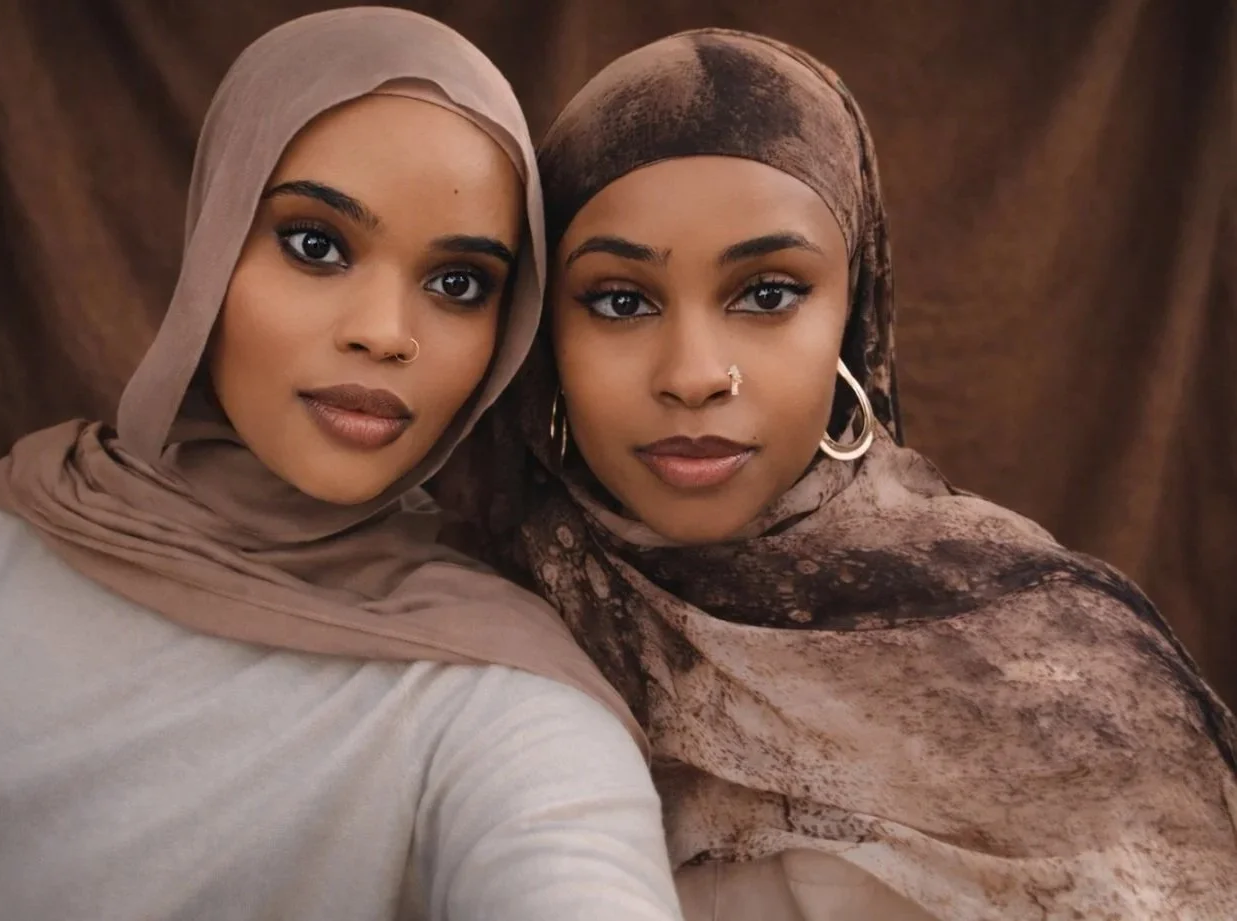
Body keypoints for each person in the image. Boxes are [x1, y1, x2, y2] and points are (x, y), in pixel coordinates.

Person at [0, 9, 684, 921]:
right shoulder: (18, 512)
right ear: (213, 246)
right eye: (316, 244)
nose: (383, 332)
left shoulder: (491, 694)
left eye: (458, 283)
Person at [442, 28, 1237, 920]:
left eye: (768, 293)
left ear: (852, 316)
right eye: (621, 300)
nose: (695, 372)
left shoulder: (1059, 669)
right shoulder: (470, 612)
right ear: (548, 335)